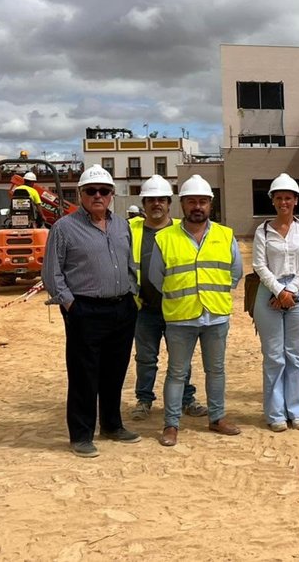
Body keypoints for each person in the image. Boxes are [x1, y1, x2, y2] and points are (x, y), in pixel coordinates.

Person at [42, 164, 140, 458]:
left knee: (115, 371)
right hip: (85, 310)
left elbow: (129, 264)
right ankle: (81, 435)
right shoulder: (64, 228)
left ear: (112, 194)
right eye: (91, 191)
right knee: (84, 374)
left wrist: (132, 293)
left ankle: (112, 425)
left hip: (122, 308)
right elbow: (52, 273)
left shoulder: (121, 225)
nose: (98, 195)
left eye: (104, 191)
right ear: (81, 194)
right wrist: (71, 304)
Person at [149, 174, 243, 447]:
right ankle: (171, 424)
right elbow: (156, 277)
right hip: (180, 317)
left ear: (210, 204)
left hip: (216, 315)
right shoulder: (165, 238)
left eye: (203, 201)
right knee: (177, 373)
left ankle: (217, 418)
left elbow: (235, 273)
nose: (197, 207)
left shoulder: (226, 235)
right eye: (192, 201)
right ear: (182, 204)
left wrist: (213, 293)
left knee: (216, 370)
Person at [129, 174, 206, 421]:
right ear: (143, 203)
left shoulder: (182, 230)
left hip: (177, 307)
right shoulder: (132, 230)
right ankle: (144, 400)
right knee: (145, 358)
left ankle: (186, 399)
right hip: (144, 307)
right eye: (151, 200)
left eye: (161, 199)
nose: (156, 204)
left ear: (169, 203)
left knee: (180, 359)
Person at [252, 173, 299, 432]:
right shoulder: (263, 231)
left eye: (288, 198)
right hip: (269, 292)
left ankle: (297, 411)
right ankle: (276, 413)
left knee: (295, 355)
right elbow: (259, 265)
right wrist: (279, 291)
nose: (283, 202)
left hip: (298, 293)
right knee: (274, 356)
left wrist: (290, 290)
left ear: (296, 200)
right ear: (272, 200)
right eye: (279, 198)